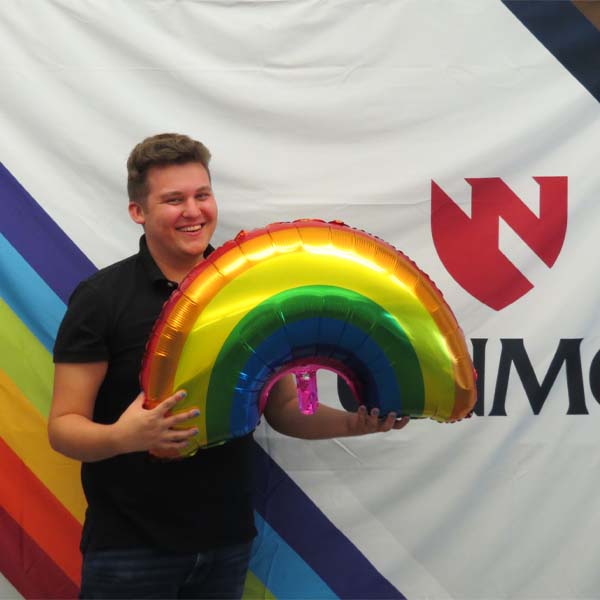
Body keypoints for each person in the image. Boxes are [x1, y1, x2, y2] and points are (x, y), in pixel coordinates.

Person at [48, 132, 410, 599]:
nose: (193, 211)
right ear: (138, 211)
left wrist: (354, 423)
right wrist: (126, 436)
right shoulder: (100, 299)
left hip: (225, 544)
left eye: (202, 195)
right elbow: (63, 427)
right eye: (173, 199)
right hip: (129, 551)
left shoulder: (253, 292)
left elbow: (285, 408)